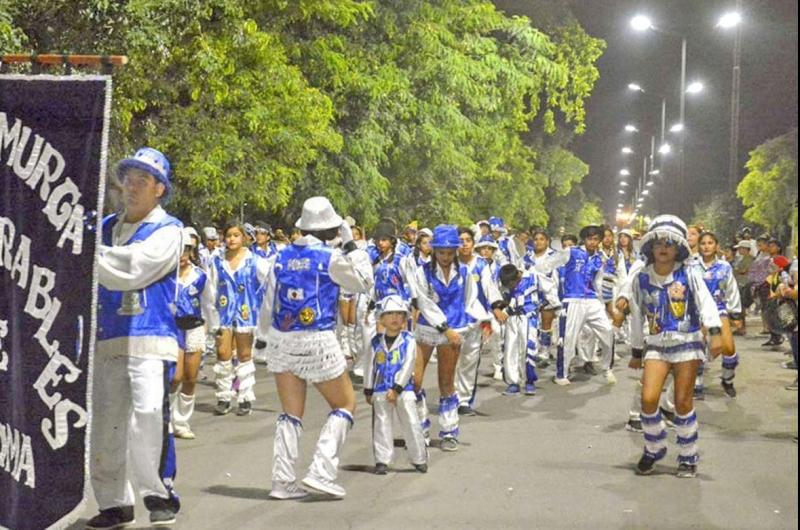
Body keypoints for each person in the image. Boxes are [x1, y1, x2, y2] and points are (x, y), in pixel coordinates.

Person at [89, 147, 183, 528]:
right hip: (108, 337)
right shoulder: (104, 227)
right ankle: (113, 503)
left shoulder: (169, 230)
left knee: (148, 418)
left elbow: (134, 268)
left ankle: (159, 495)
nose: (131, 187)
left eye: (142, 181)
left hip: (150, 338)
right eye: (128, 180)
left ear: (159, 189)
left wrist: (87, 255)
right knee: (106, 424)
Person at [255, 196, 372, 499]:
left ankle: (282, 481)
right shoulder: (330, 258)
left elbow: (269, 300)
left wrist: (262, 338)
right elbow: (363, 282)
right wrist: (351, 246)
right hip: (317, 339)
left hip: (282, 339)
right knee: (345, 405)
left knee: (291, 413)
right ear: (332, 229)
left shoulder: (280, 256)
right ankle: (321, 470)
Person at [618, 215, 723, 479]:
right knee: (648, 399)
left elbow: (706, 302)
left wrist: (715, 332)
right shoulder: (641, 278)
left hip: (687, 343)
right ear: (650, 247)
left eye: (669, 244)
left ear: (678, 249)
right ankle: (655, 447)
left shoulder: (689, 273)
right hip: (656, 345)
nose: (663, 248)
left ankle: (688, 455)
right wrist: (636, 350)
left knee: (682, 402)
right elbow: (637, 315)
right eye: (658, 243)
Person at [413, 225, 489, 451]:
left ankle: (449, 431)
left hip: (454, 331)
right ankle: (419, 428)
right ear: (434, 251)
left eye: (449, 252)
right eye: (441, 252)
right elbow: (424, 303)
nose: (445, 257)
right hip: (428, 329)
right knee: (414, 381)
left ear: (455, 251)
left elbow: (471, 301)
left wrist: (483, 320)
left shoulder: (465, 273)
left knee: (446, 382)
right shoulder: (421, 272)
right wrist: (444, 328)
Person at [207, 223, 271, 416]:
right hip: (223, 314)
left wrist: (261, 306)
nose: (232, 239)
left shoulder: (254, 261)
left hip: (246, 314)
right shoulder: (217, 261)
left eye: (236, 235)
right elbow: (211, 290)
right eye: (228, 235)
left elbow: (270, 282)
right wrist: (210, 317)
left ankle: (245, 397)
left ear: (244, 237)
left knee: (244, 355)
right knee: (223, 353)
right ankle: (224, 397)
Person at [364, 295, 428, 474]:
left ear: (405, 318)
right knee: (381, 423)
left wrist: (397, 388)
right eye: (389, 313)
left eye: (399, 314)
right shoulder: (375, 342)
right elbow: (369, 366)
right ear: (381, 318)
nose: (394, 318)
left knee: (411, 422)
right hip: (380, 389)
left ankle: (419, 458)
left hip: (404, 390)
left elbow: (408, 365)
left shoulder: (408, 340)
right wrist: (368, 389)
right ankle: (382, 460)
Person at [547, 225, 617, 386]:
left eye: (596, 239)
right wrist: (552, 297)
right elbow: (547, 265)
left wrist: (601, 301)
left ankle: (607, 368)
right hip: (572, 299)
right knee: (568, 338)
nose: (593, 242)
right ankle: (561, 374)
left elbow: (598, 282)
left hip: (592, 300)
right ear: (584, 239)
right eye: (589, 239)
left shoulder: (600, 259)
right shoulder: (571, 252)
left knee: (607, 331)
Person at [171, 228, 214, 439]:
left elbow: (209, 303)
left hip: (194, 327)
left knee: (190, 378)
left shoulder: (200, 276)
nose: (182, 255)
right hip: (172, 328)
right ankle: (166, 420)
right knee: (175, 377)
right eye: (178, 250)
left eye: (186, 250)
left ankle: (181, 422)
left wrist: (212, 327)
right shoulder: (165, 277)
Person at [454, 227, 501, 414]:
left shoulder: (481, 264)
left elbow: (490, 289)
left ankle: (463, 401)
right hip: (453, 320)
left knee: (469, 361)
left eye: (468, 240)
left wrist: (496, 308)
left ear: (473, 243)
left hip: (474, 320)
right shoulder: (449, 263)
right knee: (451, 362)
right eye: (461, 240)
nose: (464, 244)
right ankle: (449, 397)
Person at [494, 264, 559, 396]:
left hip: (529, 318)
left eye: (511, 284)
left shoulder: (534, 278)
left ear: (517, 276)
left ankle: (529, 381)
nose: (510, 287)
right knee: (510, 350)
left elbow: (550, 289)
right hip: (511, 318)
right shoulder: (504, 281)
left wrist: (549, 304)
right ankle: (513, 383)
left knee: (528, 349)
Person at [695, 231, 743, 398]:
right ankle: (696, 383)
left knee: (728, 347)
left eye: (710, 243)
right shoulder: (691, 266)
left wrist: (735, 314)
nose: (706, 246)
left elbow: (732, 290)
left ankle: (727, 379)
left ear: (716, 246)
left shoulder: (725, 267)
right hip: (697, 311)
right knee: (697, 346)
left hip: (719, 308)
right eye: (703, 243)